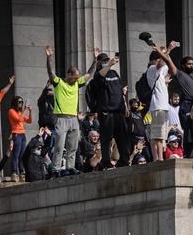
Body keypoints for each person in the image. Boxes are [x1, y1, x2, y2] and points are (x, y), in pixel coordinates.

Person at [45, 45, 95, 176]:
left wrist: (95, 61)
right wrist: (49, 58)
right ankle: (55, 167)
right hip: (61, 118)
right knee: (59, 146)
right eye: (75, 77)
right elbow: (50, 72)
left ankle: (70, 167)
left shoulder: (77, 84)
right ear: (69, 74)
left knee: (73, 146)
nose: (77, 79)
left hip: (73, 119)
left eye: (78, 78)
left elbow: (89, 74)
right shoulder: (59, 83)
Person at [92, 52, 130, 168]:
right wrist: (108, 65)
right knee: (106, 139)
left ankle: (124, 160)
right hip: (106, 112)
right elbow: (99, 78)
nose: (106, 62)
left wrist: (125, 105)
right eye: (104, 61)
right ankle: (106, 162)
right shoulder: (98, 74)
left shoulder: (114, 73)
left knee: (122, 138)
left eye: (107, 60)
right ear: (99, 63)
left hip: (119, 111)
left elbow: (119, 90)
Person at [147, 43, 177, 161]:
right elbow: (161, 63)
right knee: (157, 134)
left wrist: (166, 83)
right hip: (157, 105)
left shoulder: (160, 71)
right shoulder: (151, 68)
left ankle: (159, 157)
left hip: (163, 105)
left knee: (162, 134)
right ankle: (158, 158)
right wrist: (168, 49)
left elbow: (168, 67)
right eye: (161, 54)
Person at [8, 96, 33, 181]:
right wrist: (24, 110)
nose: (21, 104)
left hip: (22, 134)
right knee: (16, 154)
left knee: (22, 155)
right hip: (16, 134)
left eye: (22, 102)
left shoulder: (20, 112)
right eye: (19, 102)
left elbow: (29, 121)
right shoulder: (11, 111)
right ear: (15, 103)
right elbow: (18, 119)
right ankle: (14, 172)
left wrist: (30, 111)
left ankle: (22, 173)